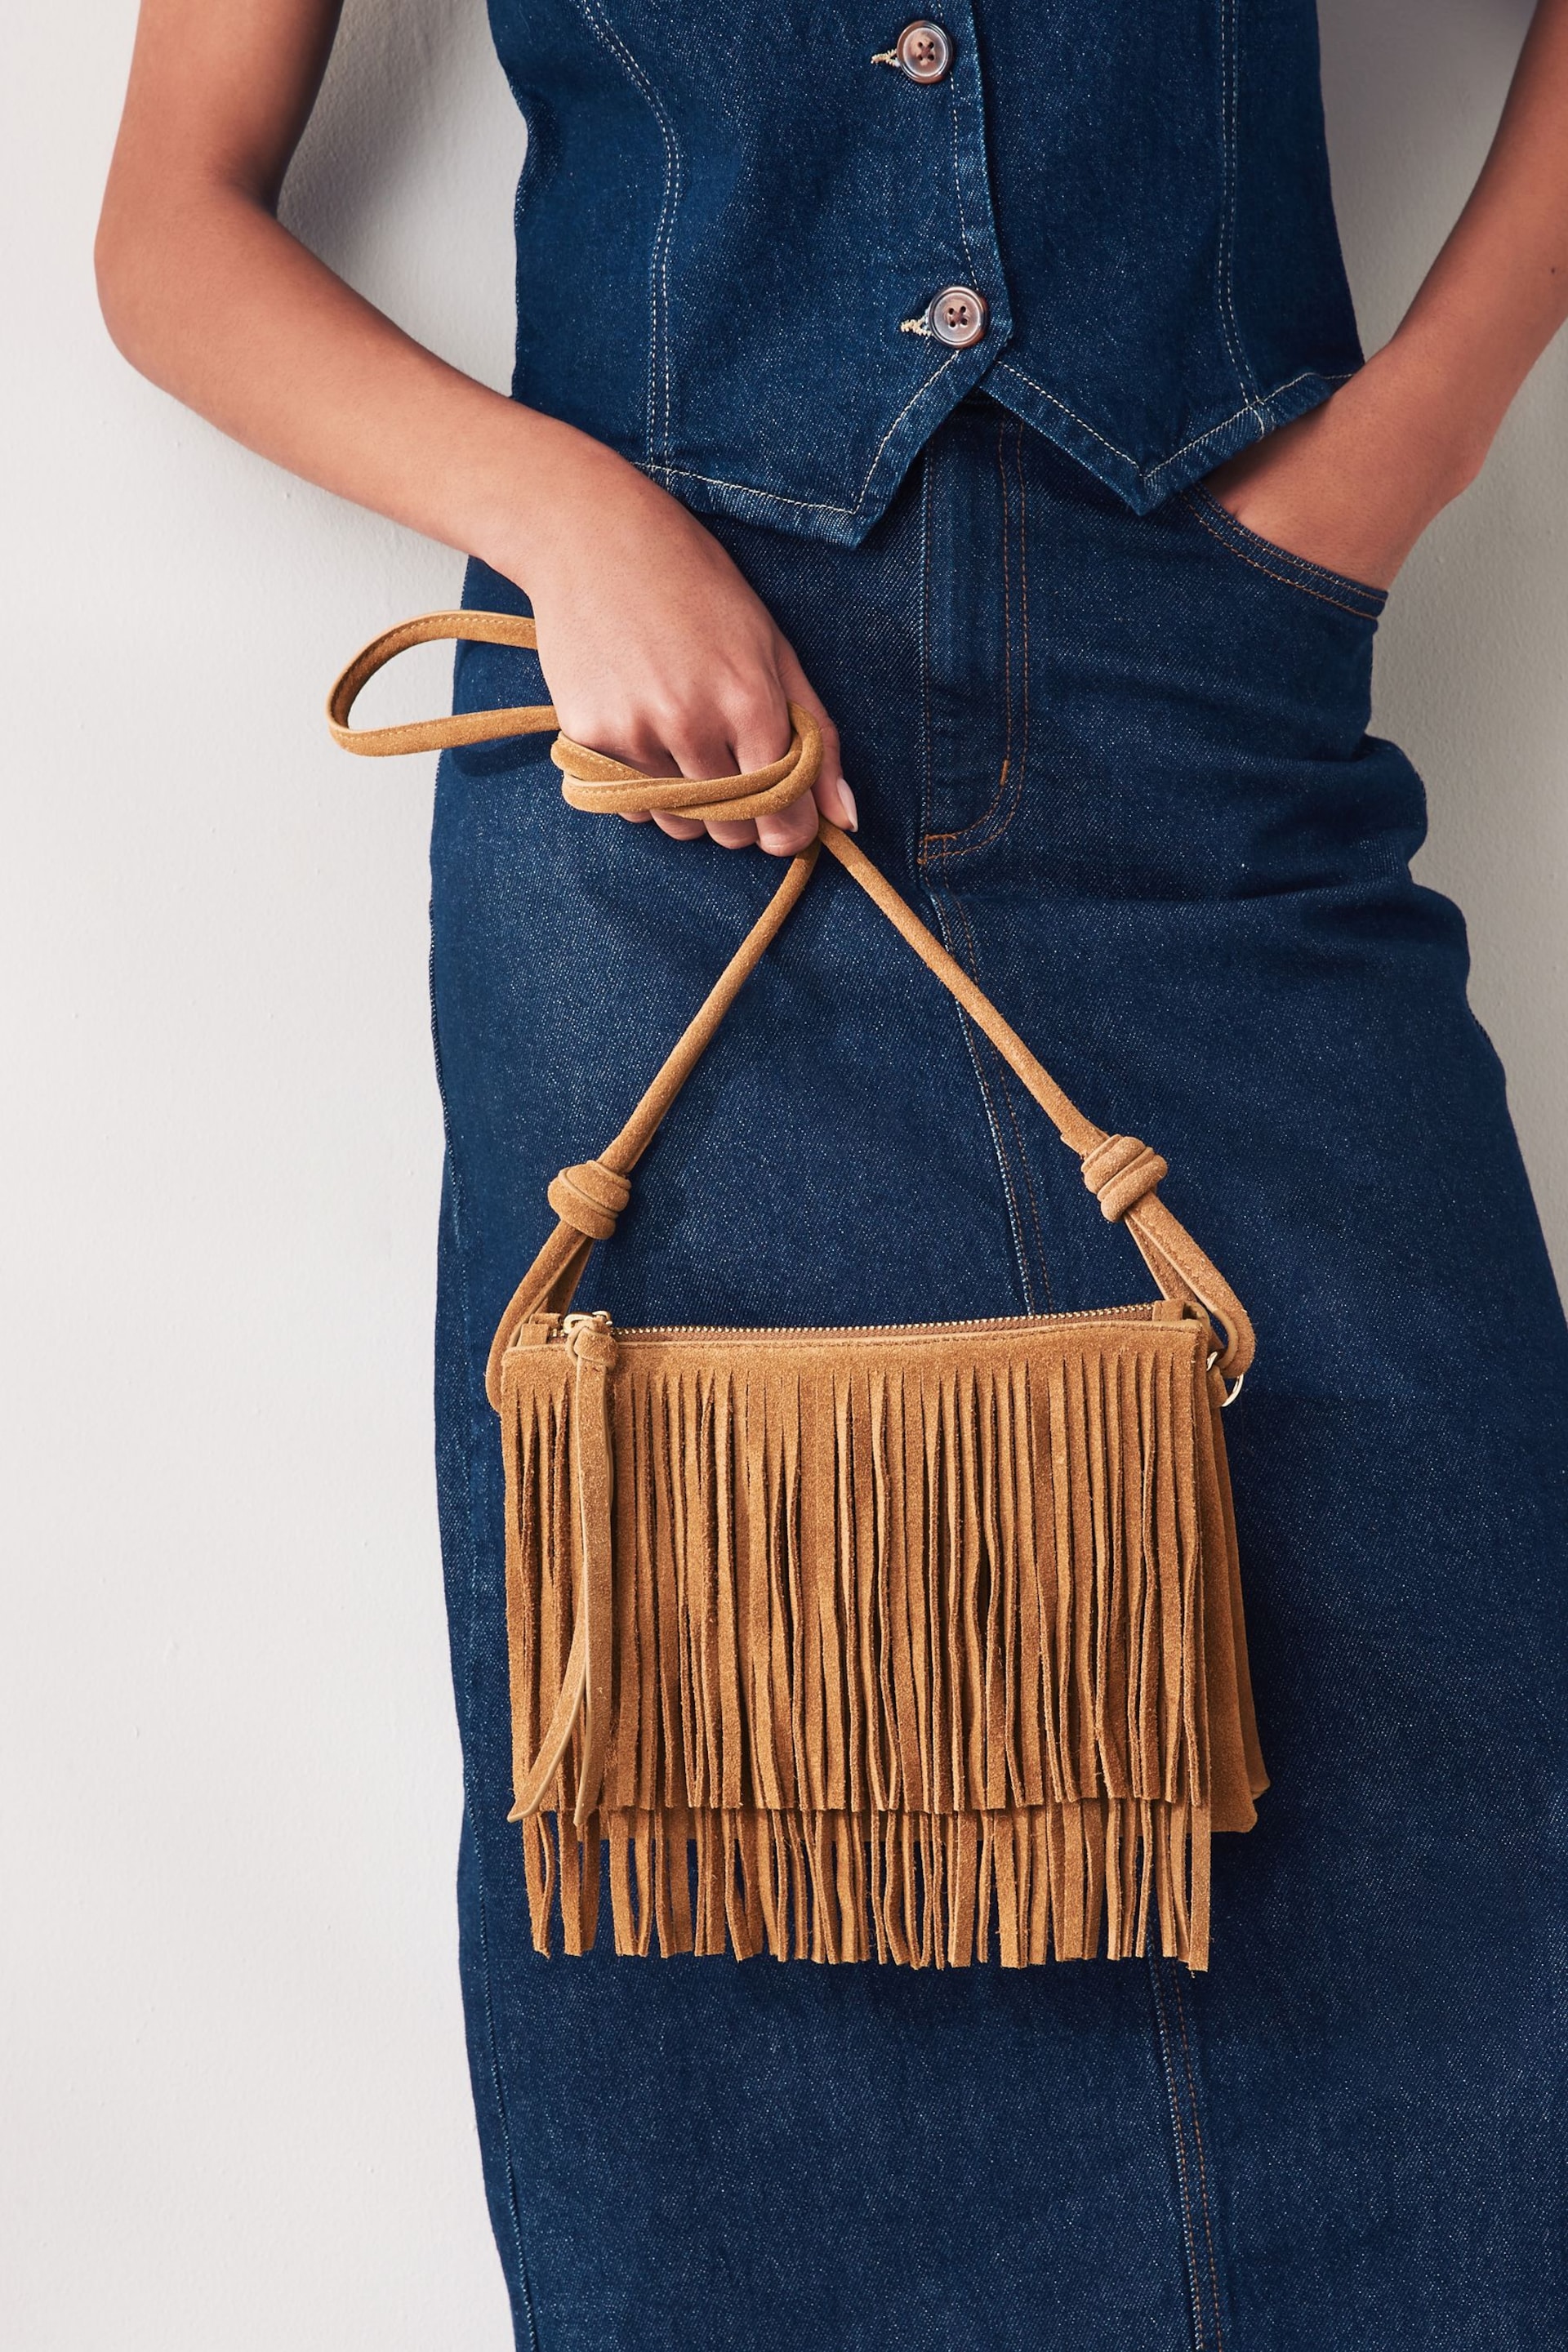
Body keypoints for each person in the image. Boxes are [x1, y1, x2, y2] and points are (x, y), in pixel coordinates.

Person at [97, 2, 1568, 2341]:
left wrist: (1406, 454)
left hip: (1222, 754)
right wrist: (564, 514)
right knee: (752, 1853)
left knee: (1444, 1761)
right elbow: (166, 233)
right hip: (663, 814)